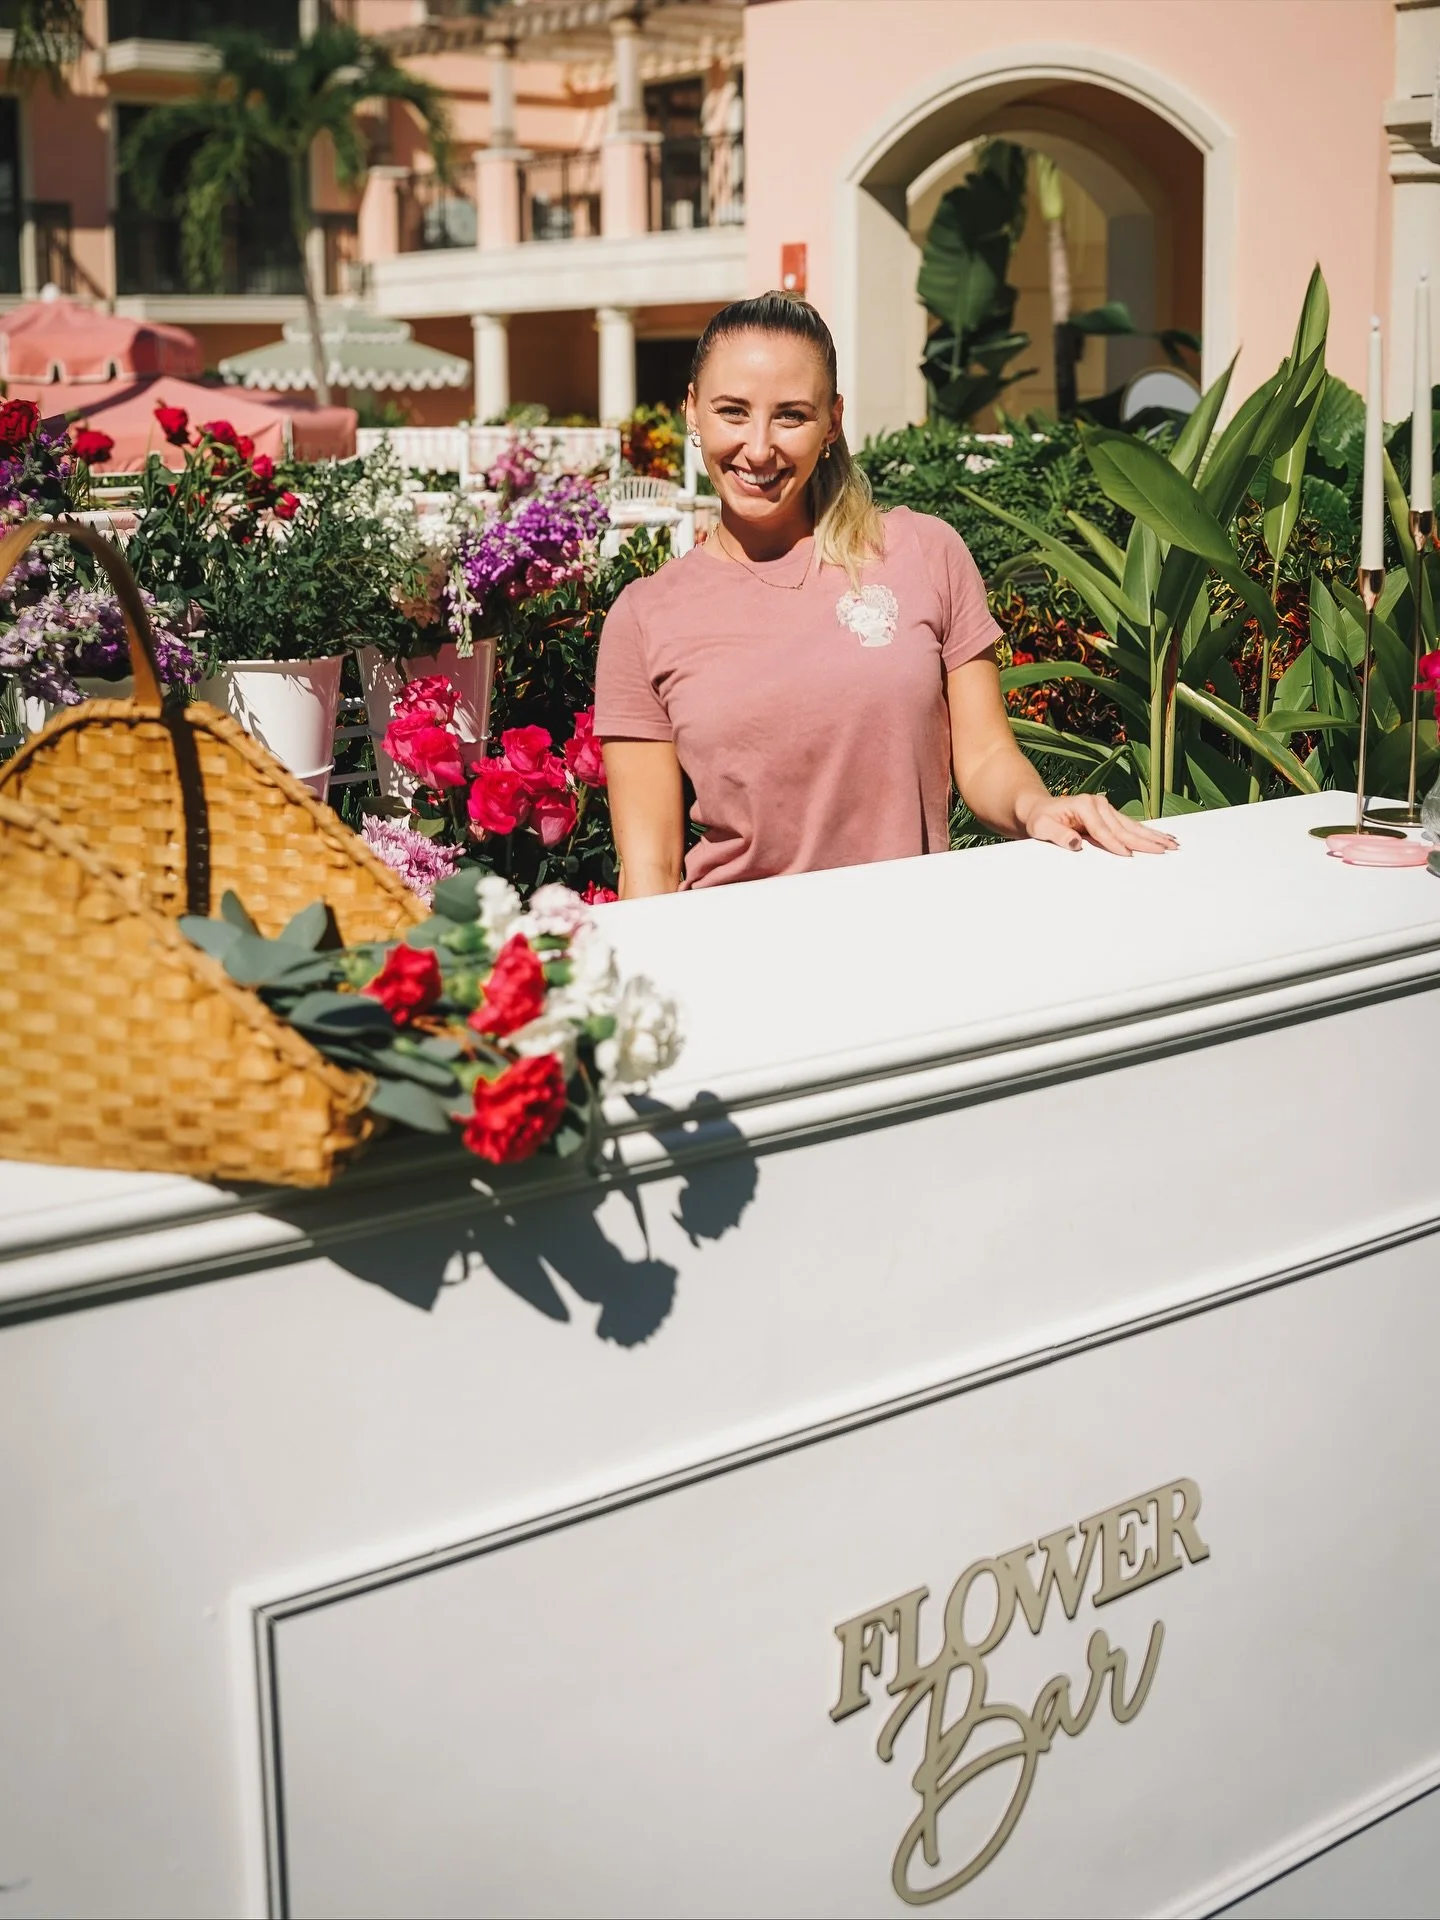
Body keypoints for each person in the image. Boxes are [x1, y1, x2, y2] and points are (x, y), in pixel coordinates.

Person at [594, 292, 1176, 897]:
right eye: (732, 412)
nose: (759, 447)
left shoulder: (924, 553)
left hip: (913, 944)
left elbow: (982, 758)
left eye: (791, 415)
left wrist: (1036, 806)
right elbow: (652, 871)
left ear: (833, 422)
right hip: (742, 965)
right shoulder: (645, 617)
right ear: (692, 411)